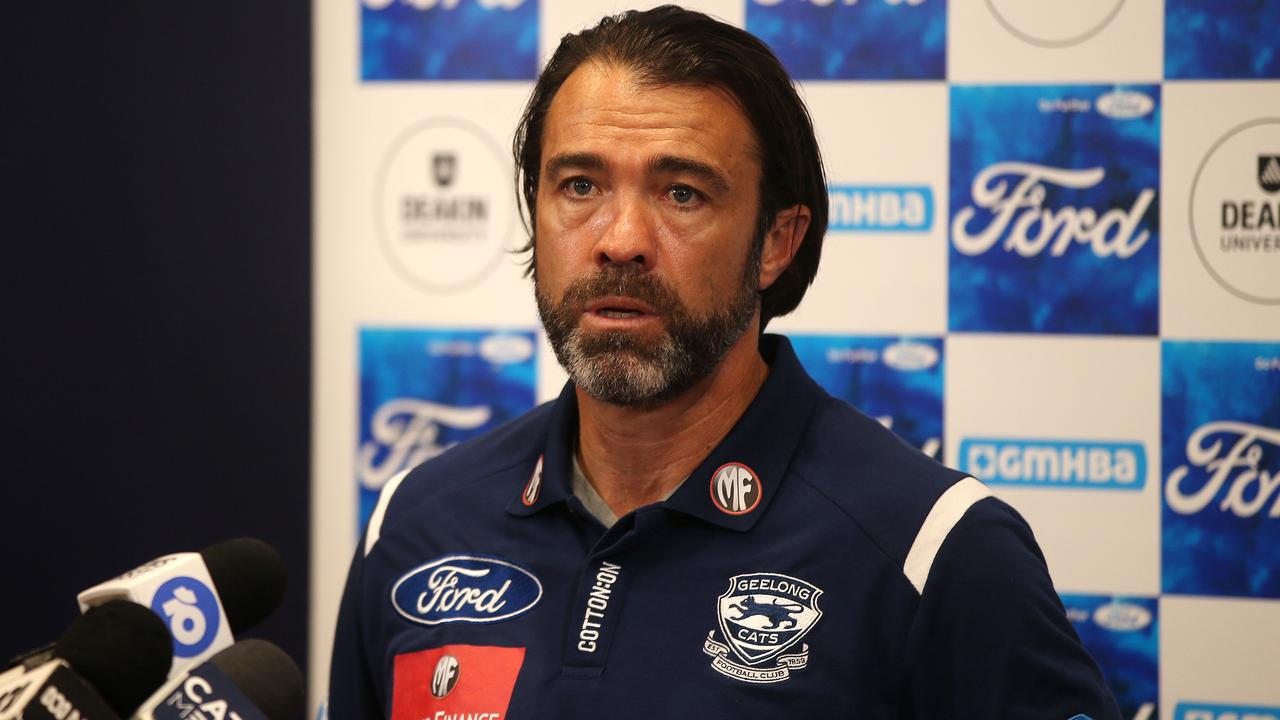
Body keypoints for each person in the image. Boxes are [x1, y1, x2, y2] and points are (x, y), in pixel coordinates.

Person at [329, 6, 1122, 718]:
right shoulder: (416, 523)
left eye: (682, 194)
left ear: (777, 242)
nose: (620, 239)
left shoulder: (936, 549)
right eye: (579, 184)